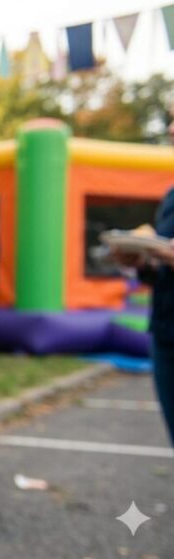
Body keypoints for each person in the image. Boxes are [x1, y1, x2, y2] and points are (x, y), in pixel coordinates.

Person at [113, 113, 174, 446]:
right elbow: (160, 270)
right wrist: (138, 262)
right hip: (165, 330)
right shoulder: (171, 196)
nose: (170, 129)